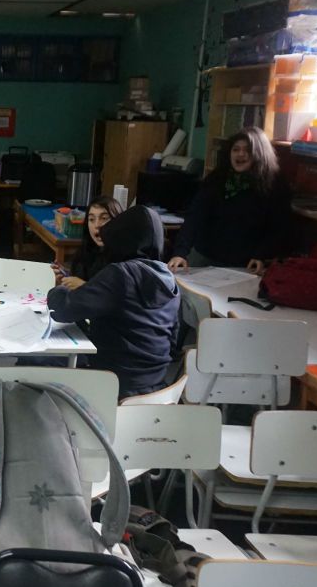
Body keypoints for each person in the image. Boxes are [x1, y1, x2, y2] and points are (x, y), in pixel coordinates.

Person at [47, 205, 180, 399]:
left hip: (113, 384)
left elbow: (63, 309)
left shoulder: (121, 274)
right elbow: (173, 342)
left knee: (39, 362)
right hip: (157, 389)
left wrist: (59, 289)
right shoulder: (169, 279)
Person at [168, 127, 290, 274]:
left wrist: (261, 255)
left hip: (244, 263)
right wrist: (180, 252)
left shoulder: (273, 184)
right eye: (236, 149)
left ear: (259, 154)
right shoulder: (217, 178)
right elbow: (195, 216)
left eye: (247, 150)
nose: (240, 154)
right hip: (205, 255)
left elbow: (277, 227)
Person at [54, 194, 124, 290]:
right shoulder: (87, 251)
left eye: (104, 218)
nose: (97, 225)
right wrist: (67, 278)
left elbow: (117, 298)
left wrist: (85, 287)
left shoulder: (125, 261)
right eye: (91, 219)